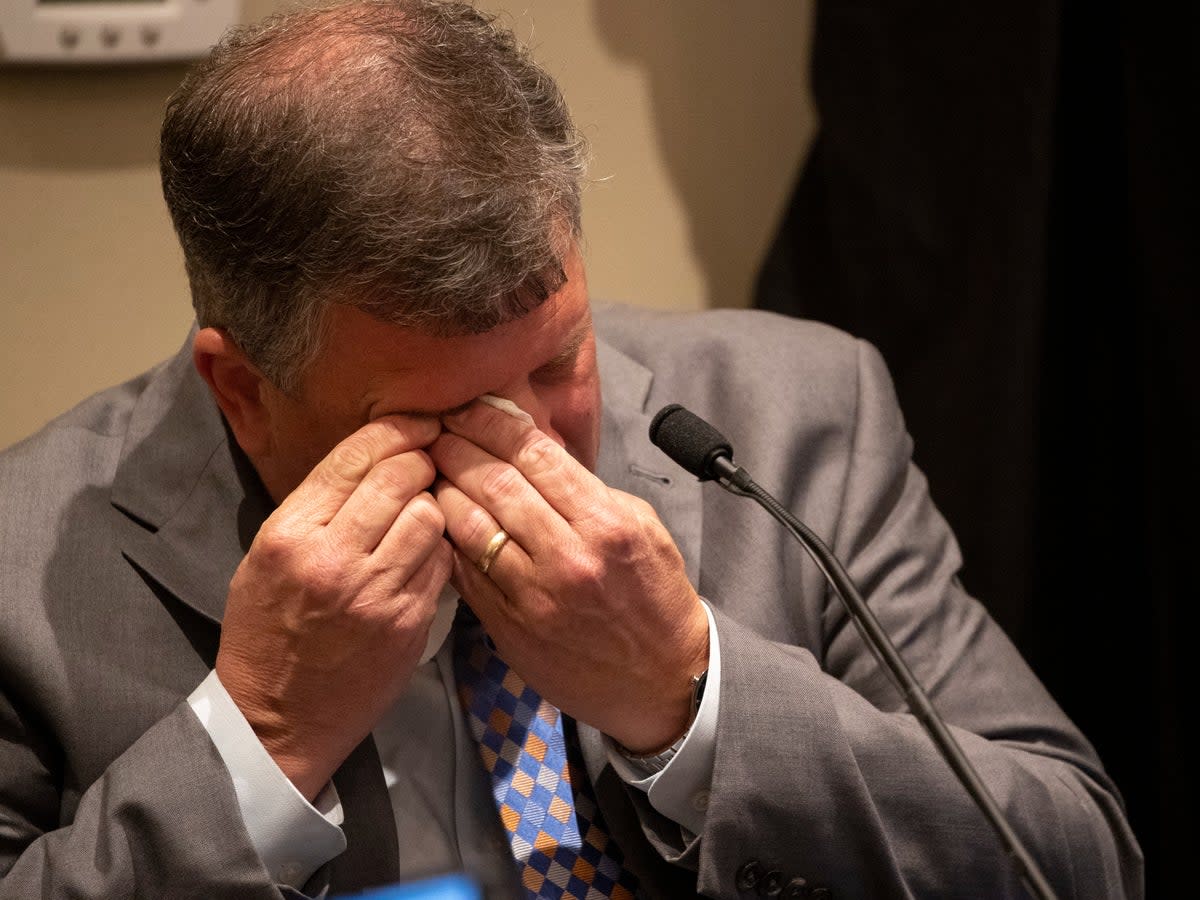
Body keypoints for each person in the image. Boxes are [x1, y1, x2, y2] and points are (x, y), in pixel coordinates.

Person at [0, 1, 1142, 897]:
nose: (534, 447)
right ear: (244, 391)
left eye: (558, 364)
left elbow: (1075, 858)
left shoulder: (801, 416)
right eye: (440, 417)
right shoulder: (23, 560)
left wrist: (690, 696)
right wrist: (263, 740)